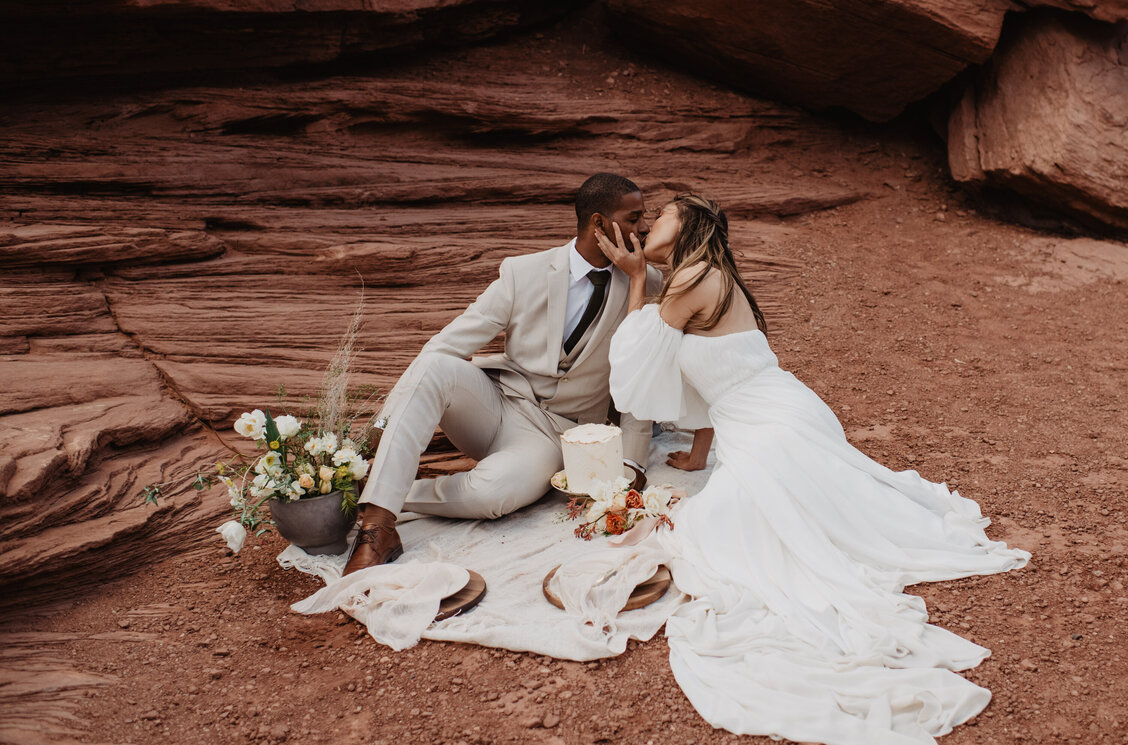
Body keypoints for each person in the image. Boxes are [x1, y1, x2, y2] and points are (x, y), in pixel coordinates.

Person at [595, 194, 1030, 745]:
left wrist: (635, 278)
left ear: (692, 228)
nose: (652, 222)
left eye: (664, 215)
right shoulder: (711, 275)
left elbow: (637, 357)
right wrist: (701, 456)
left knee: (719, 535)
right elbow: (713, 378)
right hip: (774, 417)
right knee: (773, 519)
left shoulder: (691, 277)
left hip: (777, 425)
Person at [344, 173, 661, 575]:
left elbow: (642, 374)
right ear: (599, 223)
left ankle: (376, 494)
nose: (643, 229)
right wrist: (379, 430)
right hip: (496, 403)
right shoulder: (523, 272)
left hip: (557, 434)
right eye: (633, 219)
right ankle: (378, 526)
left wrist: (631, 467)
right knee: (435, 364)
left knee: (493, 496)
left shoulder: (646, 284)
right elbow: (447, 345)